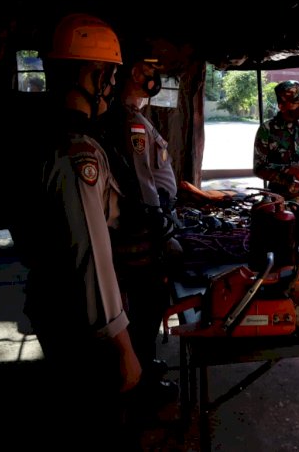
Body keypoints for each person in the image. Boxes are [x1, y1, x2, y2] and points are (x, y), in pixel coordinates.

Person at [9, 13, 141, 447]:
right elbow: (90, 254)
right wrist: (119, 344)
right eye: (112, 75)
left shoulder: (43, 134)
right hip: (80, 323)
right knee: (98, 423)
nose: (113, 85)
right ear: (95, 73)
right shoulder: (76, 151)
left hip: (54, 303)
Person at [102, 46, 180, 412]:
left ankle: (145, 363)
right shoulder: (128, 121)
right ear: (135, 72)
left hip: (146, 225)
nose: (156, 77)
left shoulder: (133, 117)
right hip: (142, 232)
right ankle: (143, 378)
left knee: (147, 303)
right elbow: (141, 179)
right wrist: (158, 221)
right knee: (147, 304)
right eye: (151, 69)